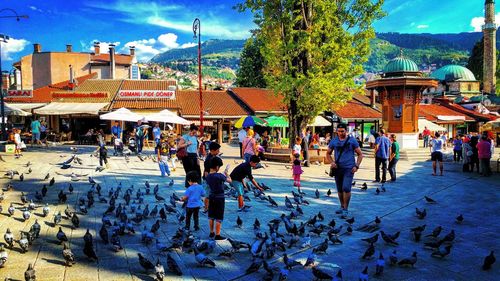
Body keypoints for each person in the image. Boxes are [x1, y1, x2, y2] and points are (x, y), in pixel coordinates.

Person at [326, 123, 363, 219]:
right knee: (339, 189)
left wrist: (357, 165)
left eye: (342, 131)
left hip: (349, 168)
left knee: (346, 188)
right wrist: (332, 162)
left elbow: (360, 154)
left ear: (346, 131)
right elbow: (328, 154)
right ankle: (342, 206)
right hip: (338, 168)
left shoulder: (352, 141)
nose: (340, 133)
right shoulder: (334, 141)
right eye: (338, 131)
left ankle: (346, 208)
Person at [205, 156, 232, 240]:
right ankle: (218, 235)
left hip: (211, 196)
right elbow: (230, 181)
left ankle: (211, 232)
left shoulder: (208, 176)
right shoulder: (220, 175)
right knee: (219, 217)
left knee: (211, 216)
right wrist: (227, 173)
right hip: (220, 198)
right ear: (217, 167)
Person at [203, 142, 221, 213]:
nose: (218, 152)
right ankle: (206, 208)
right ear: (212, 150)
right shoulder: (208, 159)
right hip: (208, 179)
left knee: (210, 194)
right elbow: (206, 172)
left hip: (212, 178)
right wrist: (209, 181)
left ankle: (209, 207)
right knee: (207, 194)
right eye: (217, 150)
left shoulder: (214, 157)